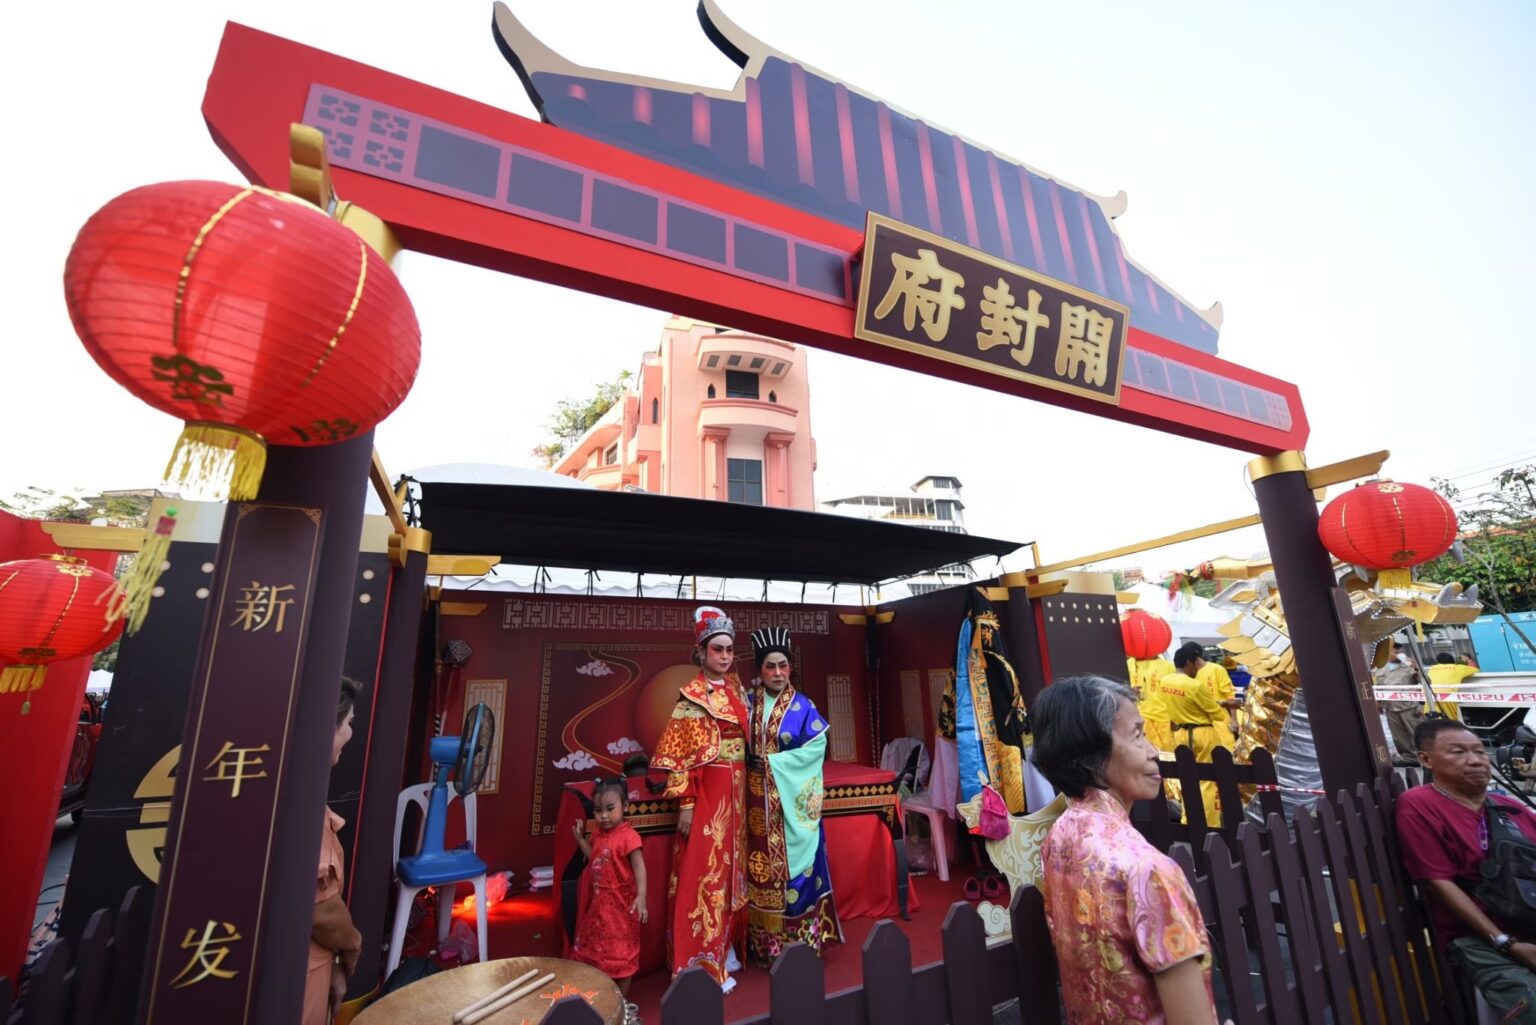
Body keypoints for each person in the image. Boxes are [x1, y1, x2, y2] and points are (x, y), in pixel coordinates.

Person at [1034, 676, 1220, 1025]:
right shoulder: (1148, 869)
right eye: (1137, 735)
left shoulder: (1059, 837)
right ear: (1092, 754)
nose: (1153, 750)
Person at [1395, 718, 1536, 1023]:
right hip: (1480, 937)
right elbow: (1437, 882)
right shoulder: (1418, 805)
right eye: (1458, 752)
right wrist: (1506, 943)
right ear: (1426, 759)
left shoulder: (1509, 807)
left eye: (1480, 751)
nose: (1475, 760)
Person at [650, 606, 749, 991]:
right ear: (702, 652)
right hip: (710, 790)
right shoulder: (691, 697)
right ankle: (701, 959)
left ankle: (725, 946)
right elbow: (680, 755)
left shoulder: (736, 689)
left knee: (734, 870)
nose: (724, 656)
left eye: (729, 650)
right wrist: (687, 805)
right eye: (717, 649)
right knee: (707, 872)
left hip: (738, 789)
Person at [744, 626, 842, 965]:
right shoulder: (746, 703)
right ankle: (765, 947)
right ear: (760, 669)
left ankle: (800, 947)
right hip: (754, 804)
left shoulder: (803, 706)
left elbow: (816, 747)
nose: (777, 673)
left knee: (797, 873)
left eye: (783, 666)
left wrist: (774, 764)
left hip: (791, 807)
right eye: (770, 666)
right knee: (758, 871)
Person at [305, 677, 364, 1025]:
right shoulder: (301, 805)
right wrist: (352, 945)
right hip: (300, 970)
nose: (351, 733)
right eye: (349, 723)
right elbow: (323, 911)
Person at [570, 777, 647, 998]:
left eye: (610, 809)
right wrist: (579, 839)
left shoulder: (629, 837)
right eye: (598, 810)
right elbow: (594, 857)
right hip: (599, 907)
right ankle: (602, 1000)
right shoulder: (597, 834)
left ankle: (621, 1004)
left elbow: (639, 866)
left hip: (621, 908)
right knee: (596, 953)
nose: (603, 816)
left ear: (625, 806)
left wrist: (641, 896)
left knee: (622, 956)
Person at [1159, 648, 1235, 826]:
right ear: (1189, 663)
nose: (1199, 668)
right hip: (1203, 734)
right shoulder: (1194, 685)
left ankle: (1188, 821)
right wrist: (1223, 705)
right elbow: (1217, 714)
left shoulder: (1165, 682)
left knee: (1187, 780)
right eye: (1197, 664)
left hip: (1181, 734)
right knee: (1208, 781)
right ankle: (1209, 824)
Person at [1378, 642, 1427, 761]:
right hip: (1390, 707)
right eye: (1396, 652)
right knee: (1399, 736)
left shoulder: (1409, 667)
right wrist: (1379, 702)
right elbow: (1379, 687)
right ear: (1388, 653)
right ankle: (1409, 758)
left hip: (1409, 707)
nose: (1399, 654)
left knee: (1417, 733)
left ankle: (1428, 756)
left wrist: (1416, 668)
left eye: (1401, 652)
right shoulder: (1381, 668)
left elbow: (1426, 682)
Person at [1428, 652, 1479, 721]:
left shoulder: (1431, 668)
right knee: (1452, 721)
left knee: (1436, 721)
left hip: (1430, 698)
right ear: (1453, 661)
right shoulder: (1458, 668)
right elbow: (1476, 670)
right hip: (1449, 698)